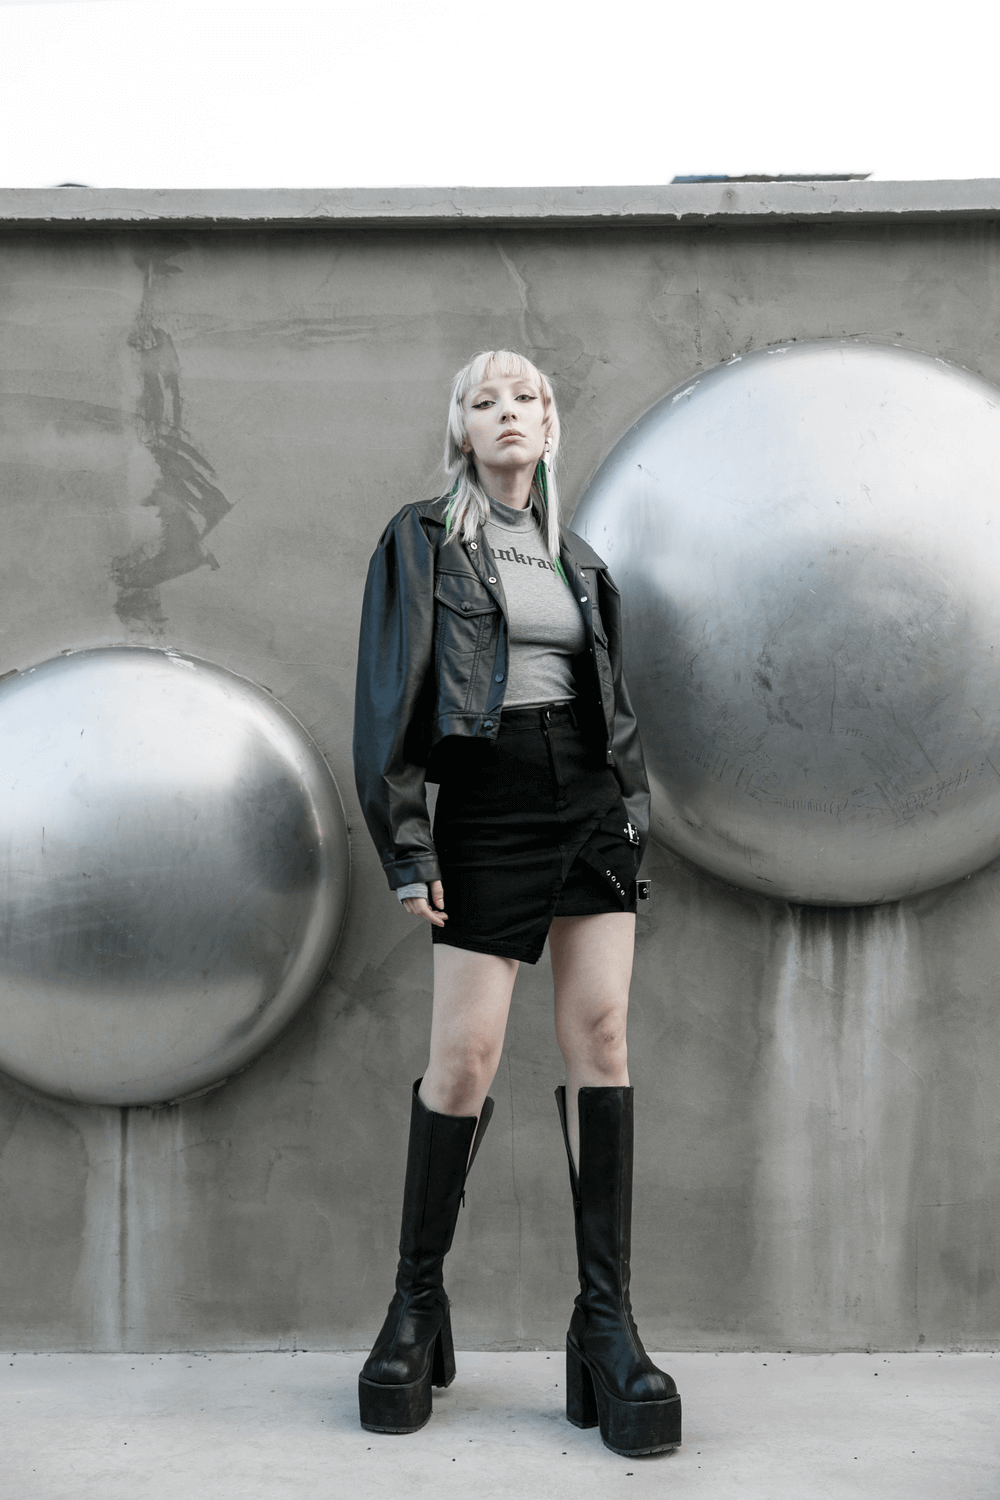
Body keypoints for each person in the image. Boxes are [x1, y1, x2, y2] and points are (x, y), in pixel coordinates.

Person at [352, 350, 681, 1457]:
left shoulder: (577, 561)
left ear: (549, 427)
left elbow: (613, 702)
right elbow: (390, 696)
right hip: (486, 803)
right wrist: (407, 843)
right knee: (467, 1057)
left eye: (526, 399)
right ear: (460, 426)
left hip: (587, 801)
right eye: (486, 399)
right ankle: (415, 1306)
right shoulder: (422, 540)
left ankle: (605, 1325)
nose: (509, 414)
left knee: (601, 1035)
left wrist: (630, 813)